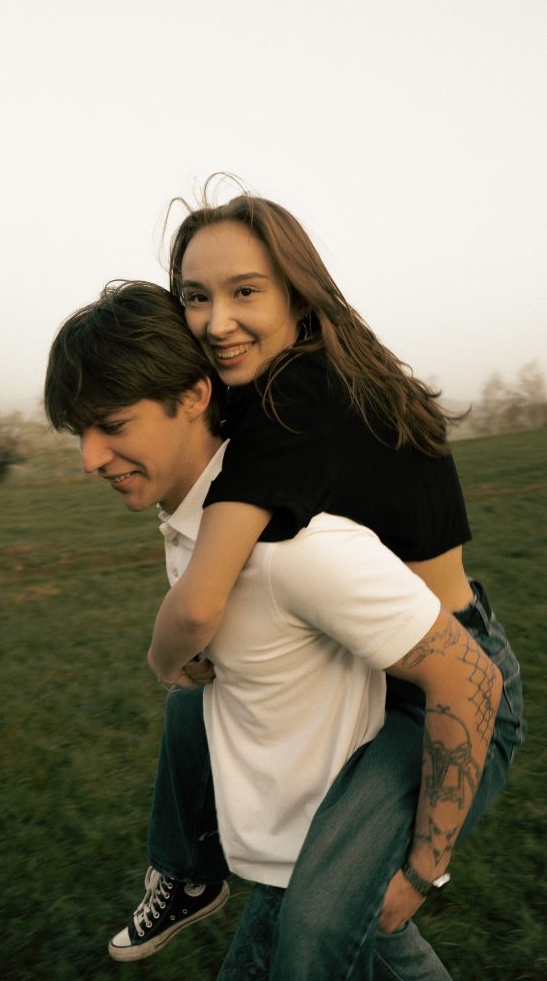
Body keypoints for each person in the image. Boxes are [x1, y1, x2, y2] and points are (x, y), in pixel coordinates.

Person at [45, 280, 520, 981]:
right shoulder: (193, 522)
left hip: (403, 743)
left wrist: (424, 870)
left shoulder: (295, 552)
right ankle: (188, 871)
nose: (88, 458)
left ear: (194, 397)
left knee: (315, 931)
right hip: (300, 819)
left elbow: (471, 676)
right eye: (78, 433)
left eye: (112, 425)